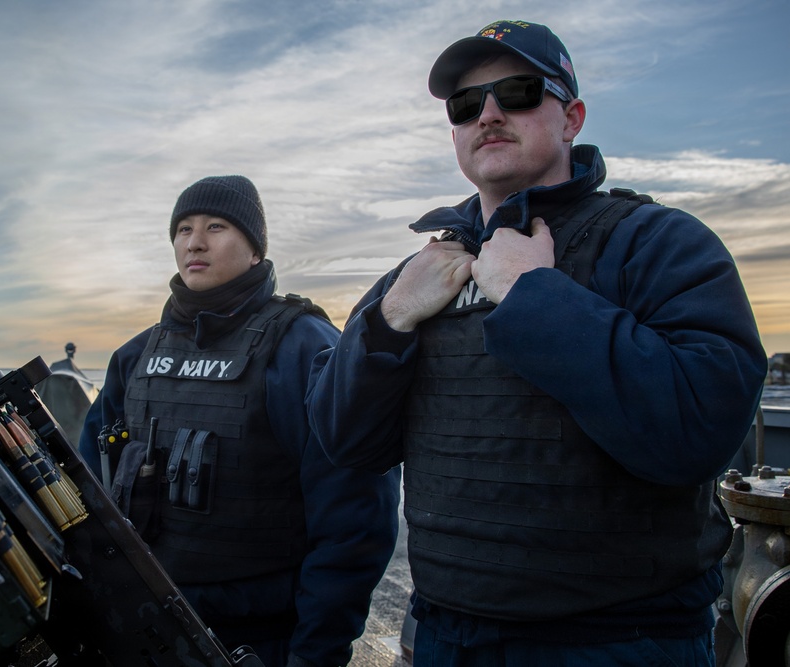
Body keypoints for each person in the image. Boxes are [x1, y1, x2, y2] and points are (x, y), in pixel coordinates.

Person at [304, 20, 768, 666]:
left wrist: (534, 299)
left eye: (518, 92)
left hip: (621, 643)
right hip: (445, 638)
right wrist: (390, 319)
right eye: (466, 106)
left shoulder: (658, 245)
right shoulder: (416, 276)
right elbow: (343, 437)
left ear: (572, 117)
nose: (488, 113)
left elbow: (699, 424)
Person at [79, 175, 401, 667]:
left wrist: (315, 653)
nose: (195, 242)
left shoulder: (303, 347)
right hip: (144, 629)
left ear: (255, 250)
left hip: (261, 641)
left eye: (217, 226)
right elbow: (88, 487)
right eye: (183, 229)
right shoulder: (137, 356)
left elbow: (354, 523)